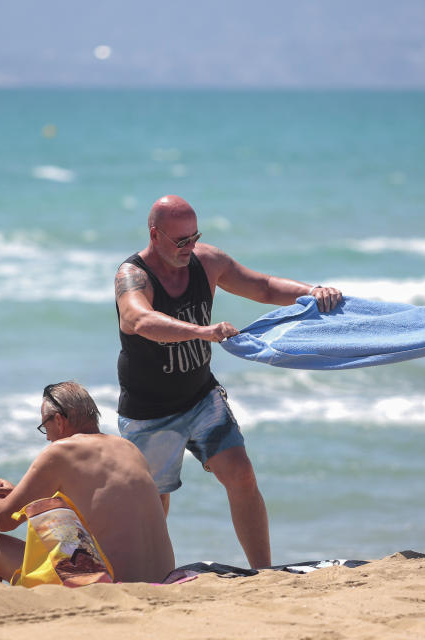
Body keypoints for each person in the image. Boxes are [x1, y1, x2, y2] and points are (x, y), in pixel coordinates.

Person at [114, 194, 342, 568]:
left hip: (201, 397)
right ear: (155, 235)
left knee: (242, 474)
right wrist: (201, 332)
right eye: (180, 241)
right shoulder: (133, 275)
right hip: (149, 412)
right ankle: (150, 576)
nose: (190, 247)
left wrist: (311, 291)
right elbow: (137, 320)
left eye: (194, 236)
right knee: (155, 503)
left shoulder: (207, 261)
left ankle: (263, 572)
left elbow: (264, 286)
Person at [0, 381, 175, 587]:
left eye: (45, 426)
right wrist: (20, 494)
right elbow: (103, 510)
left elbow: (1, 519)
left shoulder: (61, 452)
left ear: (59, 421)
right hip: (162, 579)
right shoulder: (129, 449)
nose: (47, 438)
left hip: (111, 586)